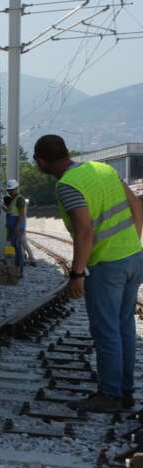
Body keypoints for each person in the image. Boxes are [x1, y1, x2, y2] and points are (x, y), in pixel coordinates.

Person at [34, 134, 143, 412]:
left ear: (42, 161)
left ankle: (110, 396)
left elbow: (84, 230)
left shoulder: (68, 185)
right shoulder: (104, 169)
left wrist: (77, 274)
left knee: (107, 331)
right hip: (132, 257)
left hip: (106, 266)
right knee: (124, 327)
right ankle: (125, 391)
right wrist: (132, 243)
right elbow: (137, 206)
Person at [4, 180, 27, 274]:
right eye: (9, 190)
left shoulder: (20, 199)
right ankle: (16, 269)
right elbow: (11, 212)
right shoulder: (13, 199)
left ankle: (19, 271)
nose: (10, 191)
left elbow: (21, 214)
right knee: (15, 247)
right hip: (12, 227)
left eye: (12, 190)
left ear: (17, 188)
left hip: (17, 228)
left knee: (18, 248)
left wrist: (17, 226)